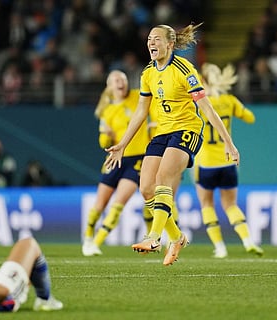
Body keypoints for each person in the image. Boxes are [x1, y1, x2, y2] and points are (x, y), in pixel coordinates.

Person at [104, 23, 240, 266]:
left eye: (156, 39)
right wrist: (123, 144)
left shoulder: (184, 69)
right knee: (146, 188)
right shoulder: (148, 73)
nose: (151, 43)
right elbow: (140, 112)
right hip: (162, 133)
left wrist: (228, 142)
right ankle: (176, 237)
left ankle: (154, 237)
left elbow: (205, 107)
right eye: (149, 39)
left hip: (187, 129)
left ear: (170, 44)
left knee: (163, 179)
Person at [195, 63, 264, 258]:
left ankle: (220, 248)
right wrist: (236, 109)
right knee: (231, 205)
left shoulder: (200, 103)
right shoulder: (229, 100)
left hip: (206, 162)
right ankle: (248, 241)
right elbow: (250, 118)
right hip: (227, 162)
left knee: (207, 205)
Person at [82, 70, 151, 257]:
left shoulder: (139, 97)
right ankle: (88, 236)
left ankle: (96, 243)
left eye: (123, 78)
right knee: (99, 204)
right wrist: (107, 137)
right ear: (110, 87)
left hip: (137, 158)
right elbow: (103, 143)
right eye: (116, 80)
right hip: (114, 159)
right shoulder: (107, 111)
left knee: (119, 203)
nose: (121, 82)